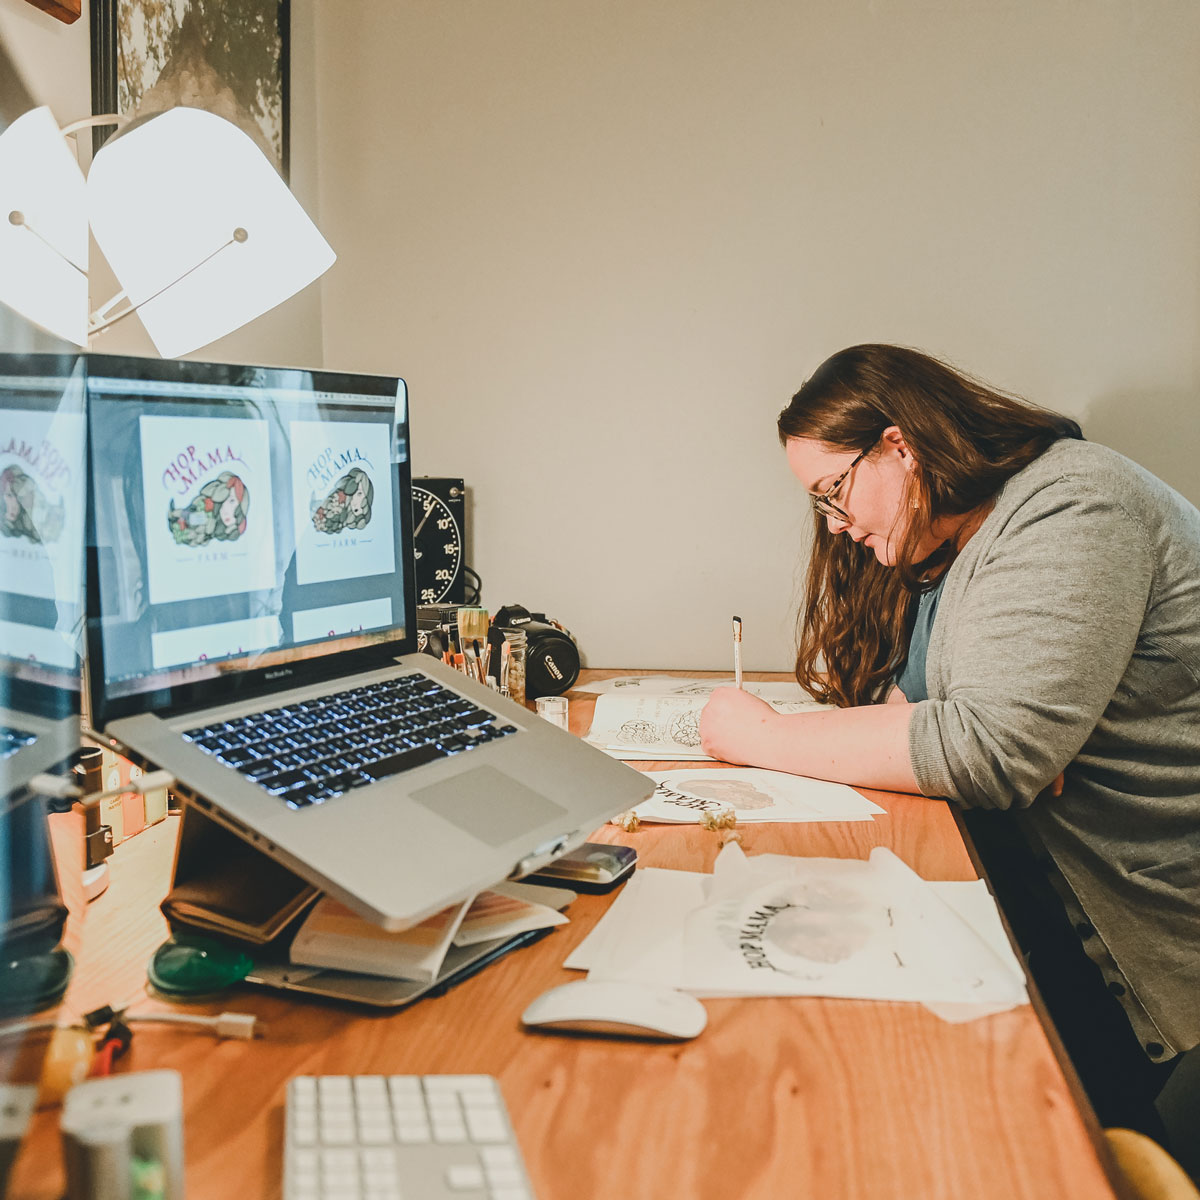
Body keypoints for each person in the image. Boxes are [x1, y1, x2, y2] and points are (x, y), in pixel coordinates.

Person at [699, 343, 1200, 1157]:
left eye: (834, 493)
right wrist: (969, 738)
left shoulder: (1074, 504)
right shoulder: (962, 548)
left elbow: (990, 751)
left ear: (900, 445)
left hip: (1145, 944)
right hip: (1056, 911)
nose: (836, 525)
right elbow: (924, 720)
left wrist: (758, 736)